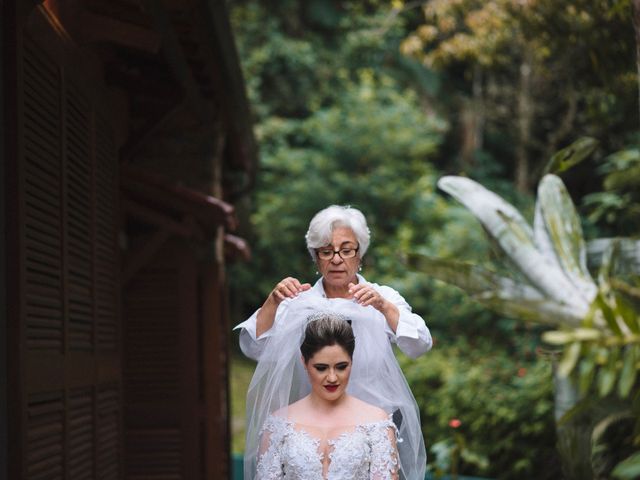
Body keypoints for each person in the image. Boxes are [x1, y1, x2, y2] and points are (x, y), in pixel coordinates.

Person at [235, 204, 433, 361]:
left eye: (346, 251)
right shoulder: (298, 301)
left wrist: (383, 307)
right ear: (316, 257)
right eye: (327, 251)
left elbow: (420, 345)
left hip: (374, 410)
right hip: (312, 410)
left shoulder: (383, 298)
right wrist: (273, 301)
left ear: (360, 255)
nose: (336, 260)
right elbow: (255, 350)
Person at [254, 313, 399, 479]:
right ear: (304, 362)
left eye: (341, 367)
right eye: (321, 368)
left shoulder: (377, 422)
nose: (332, 377)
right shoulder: (278, 423)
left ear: (352, 361)